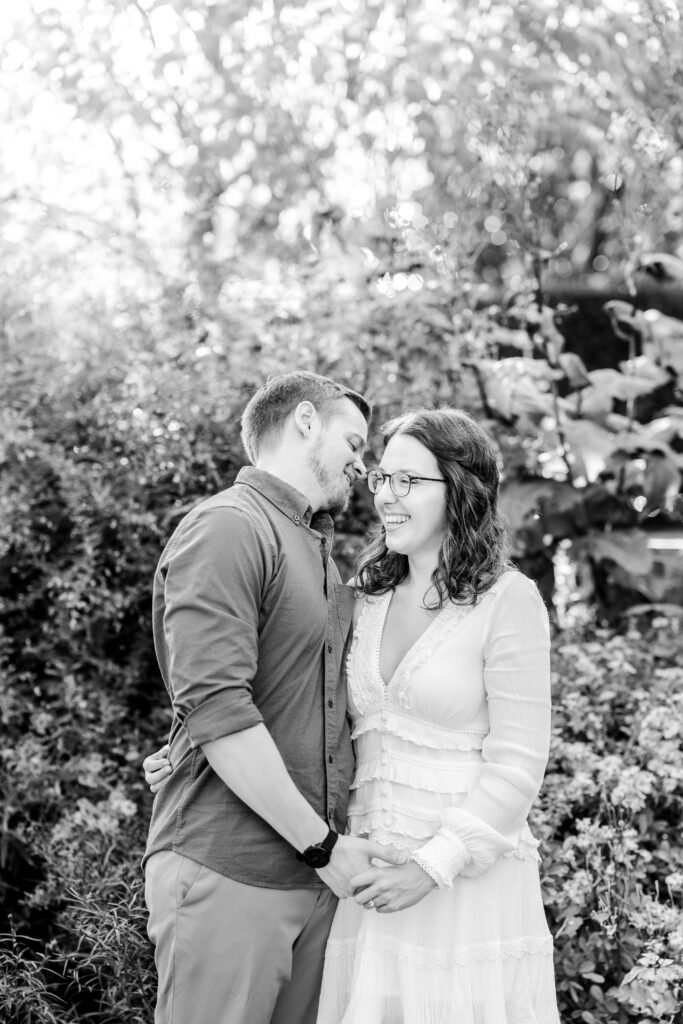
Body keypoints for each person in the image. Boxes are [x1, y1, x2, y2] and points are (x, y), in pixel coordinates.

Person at [146, 407, 561, 1024]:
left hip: (462, 878)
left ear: (463, 489)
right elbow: (287, 697)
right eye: (382, 479)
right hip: (359, 875)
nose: (387, 497)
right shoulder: (361, 598)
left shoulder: (508, 600)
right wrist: (185, 745)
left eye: (408, 482)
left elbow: (520, 762)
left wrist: (432, 865)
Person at [143, 371, 407, 1024]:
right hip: (231, 871)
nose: (360, 461)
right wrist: (322, 846)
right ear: (304, 423)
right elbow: (218, 710)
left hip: (315, 881)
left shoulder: (316, 549)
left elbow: (278, 696)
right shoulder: (229, 528)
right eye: (354, 440)